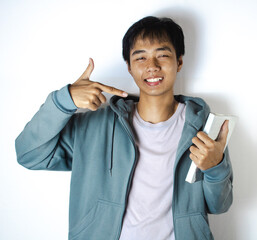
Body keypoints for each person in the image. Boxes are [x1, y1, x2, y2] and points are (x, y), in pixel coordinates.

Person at [15, 16, 233, 240]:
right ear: (128, 67)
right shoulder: (94, 127)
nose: (152, 66)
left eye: (163, 55)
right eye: (140, 57)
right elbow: (29, 154)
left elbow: (219, 205)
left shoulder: (203, 128)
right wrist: (64, 101)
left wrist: (215, 167)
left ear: (179, 62)